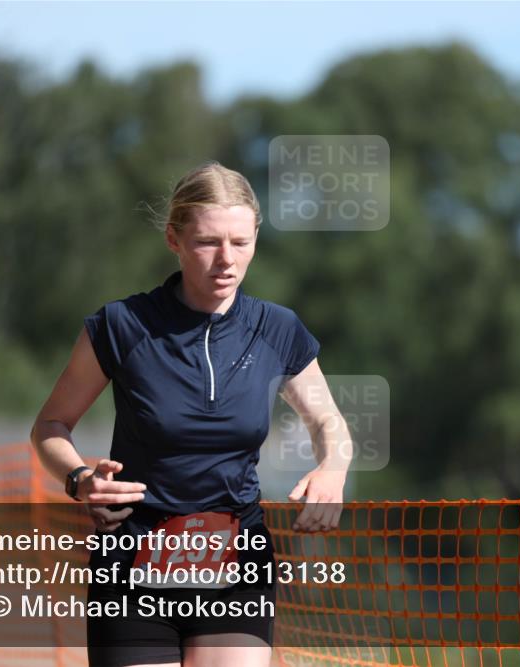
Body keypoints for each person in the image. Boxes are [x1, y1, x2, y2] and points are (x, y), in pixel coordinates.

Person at [30, 161, 353, 667]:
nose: (226, 259)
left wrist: (333, 467)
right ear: (174, 240)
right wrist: (78, 478)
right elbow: (50, 426)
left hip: (236, 562)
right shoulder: (122, 325)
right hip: (133, 561)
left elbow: (328, 422)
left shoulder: (278, 328)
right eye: (207, 242)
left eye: (240, 242)